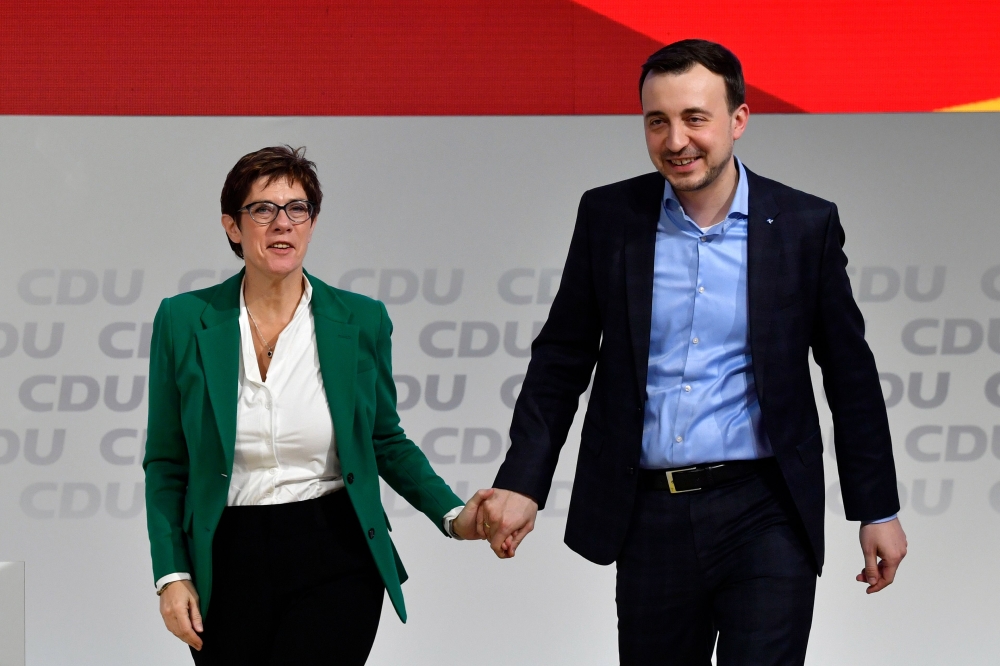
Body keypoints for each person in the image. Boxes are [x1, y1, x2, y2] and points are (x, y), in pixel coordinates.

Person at [479, 40, 908, 664]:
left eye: (695, 118)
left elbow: (849, 373)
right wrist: (523, 482)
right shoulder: (609, 216)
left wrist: (877, 508)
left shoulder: (802, 224)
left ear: (738, 119)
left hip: (766, 509)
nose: (676, 140)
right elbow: (561, 360)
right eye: (657, 121)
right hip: (650, 513)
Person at [144, 145, 491, 665]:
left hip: (335, 549)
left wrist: (453, 514)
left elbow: (384, 440)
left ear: (311, 223)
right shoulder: (182, 320)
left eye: (297, 208)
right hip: (226, 554)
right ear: (232, 226)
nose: (282, 222)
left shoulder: (361, 319)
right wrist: (172, 575)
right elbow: (167, 463)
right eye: (263, 209)